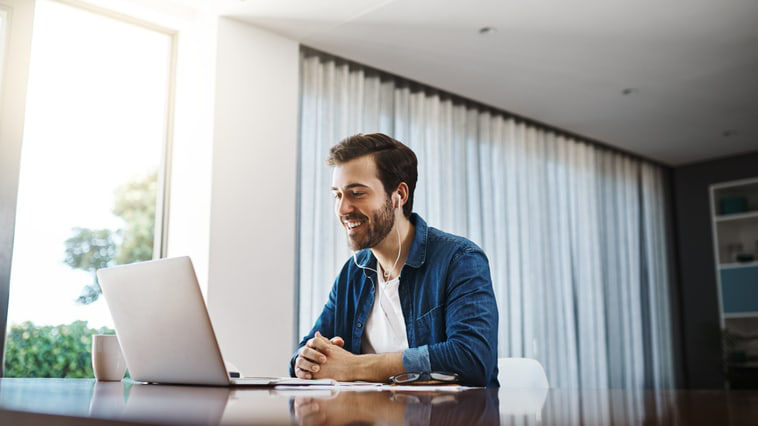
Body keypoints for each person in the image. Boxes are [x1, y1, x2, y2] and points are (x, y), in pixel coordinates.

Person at [289, 133, 499, 387]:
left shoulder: (460, 260)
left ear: (399, 195)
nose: (343, 209)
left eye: (356, 193)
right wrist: (306, 359)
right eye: (337, 195)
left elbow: (472, 360)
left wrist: (353, 366)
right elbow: (304, 352)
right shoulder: (352, 274)